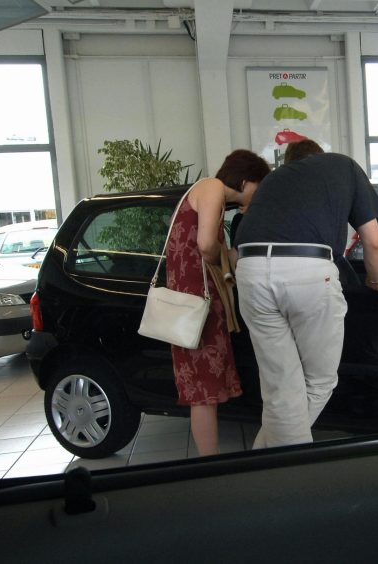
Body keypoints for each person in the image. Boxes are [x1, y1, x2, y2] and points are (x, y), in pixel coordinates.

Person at [234, 152, 378, 449]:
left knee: (282, 389)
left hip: (250, 269)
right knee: (318, 381)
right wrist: (376, 280)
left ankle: (260, 461)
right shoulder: (344, 167)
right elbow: (373, 241)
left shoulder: (276, 179)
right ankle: (286, 471)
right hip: (306, 271)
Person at [166, 149, 271, 456]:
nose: (257, 194)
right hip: (198, 308)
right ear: (245, 179)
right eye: (258, 187)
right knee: (203, 394)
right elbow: (205, 244)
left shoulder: (202, 192)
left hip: (195, 306)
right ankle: (208, 464)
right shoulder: (211, 186)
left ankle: (208, 460)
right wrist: (224, 260)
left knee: (204, 392)